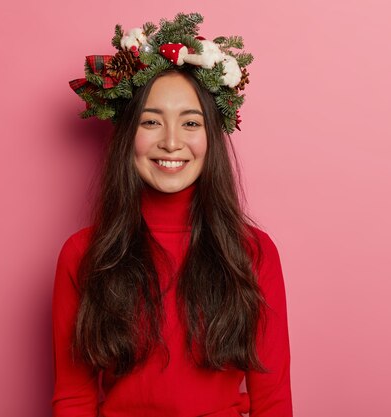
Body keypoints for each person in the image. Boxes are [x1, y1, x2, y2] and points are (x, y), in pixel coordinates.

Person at [52, 13, 292, 417]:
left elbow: (272, 400)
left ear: (212, 138)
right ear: (128, 136)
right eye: (151, 121)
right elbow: (74, 398)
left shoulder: (252, 252)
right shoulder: (82, 254)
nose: (171, 142)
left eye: (190, 123)